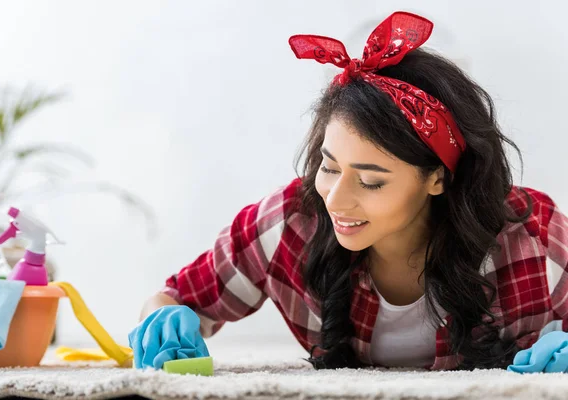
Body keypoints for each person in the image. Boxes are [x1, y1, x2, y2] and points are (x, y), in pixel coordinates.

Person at [129, 11, 568, 373]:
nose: (334, 199)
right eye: (329, 167)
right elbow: (175, 298)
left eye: (371, 180)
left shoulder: (533, 237)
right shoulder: (288, 223)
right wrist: (164, 321)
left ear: (438, 177)